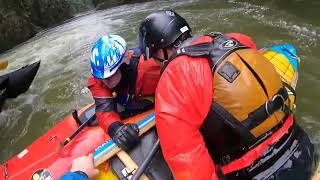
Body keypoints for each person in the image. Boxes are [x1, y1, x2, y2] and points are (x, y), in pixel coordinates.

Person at [138, 10, 315, 180]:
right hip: (302, 147)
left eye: (154, 56)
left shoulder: (174, 78)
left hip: (257, 173)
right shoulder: (235, 39)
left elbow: (186, 159)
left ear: (162, 51)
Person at [88, 35, 160, 151]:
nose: (105, 82)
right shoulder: (98, 78)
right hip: (131, 100)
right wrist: (116, 129)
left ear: (123, 66)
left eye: (110, 76)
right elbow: (105, 110)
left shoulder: (149, 68)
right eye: (102, 77)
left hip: (154, 98)